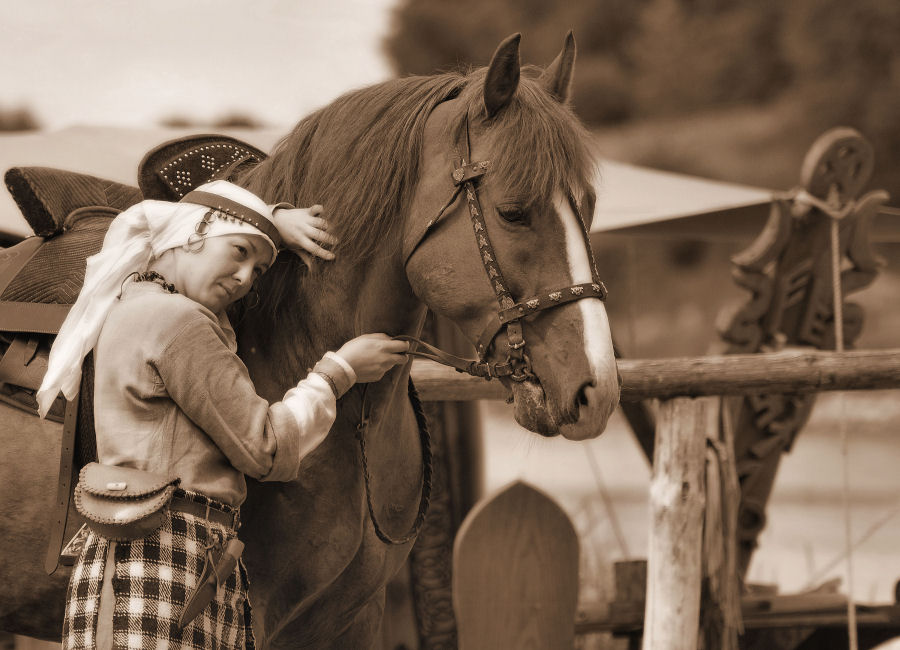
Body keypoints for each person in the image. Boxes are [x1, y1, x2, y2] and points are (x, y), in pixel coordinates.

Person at [36, 180, 409, 650]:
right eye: (238, 252)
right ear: (193, 233)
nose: (245, 277)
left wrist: (267, 223)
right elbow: (264, 446)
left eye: (258, 269)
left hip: (172, 554)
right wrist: (341, 370)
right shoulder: (179, 320)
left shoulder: (134, 307)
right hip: (164, 553)